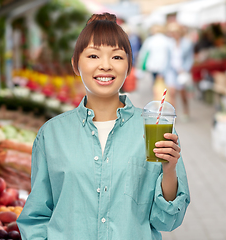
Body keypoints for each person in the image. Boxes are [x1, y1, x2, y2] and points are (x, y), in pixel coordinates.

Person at [17, 13, 190, 240]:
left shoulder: (154, 128)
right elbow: (36, 217)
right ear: (76, 64)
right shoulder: (52, 134)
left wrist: (169, 171)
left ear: (129, 66)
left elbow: (166, 221)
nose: (106, 66)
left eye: (117, 57)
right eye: (93, 55)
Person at [165, 22, 194, 120]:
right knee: (172, 92)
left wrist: (184, 69)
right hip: (171, 71)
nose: (174, 34)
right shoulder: (169, 43)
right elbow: (167, 59)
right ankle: (173, 115)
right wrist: (164, 72)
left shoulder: (187, 43)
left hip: (182, 71)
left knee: (182, 93)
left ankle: (186, 110)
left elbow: (190, 58)